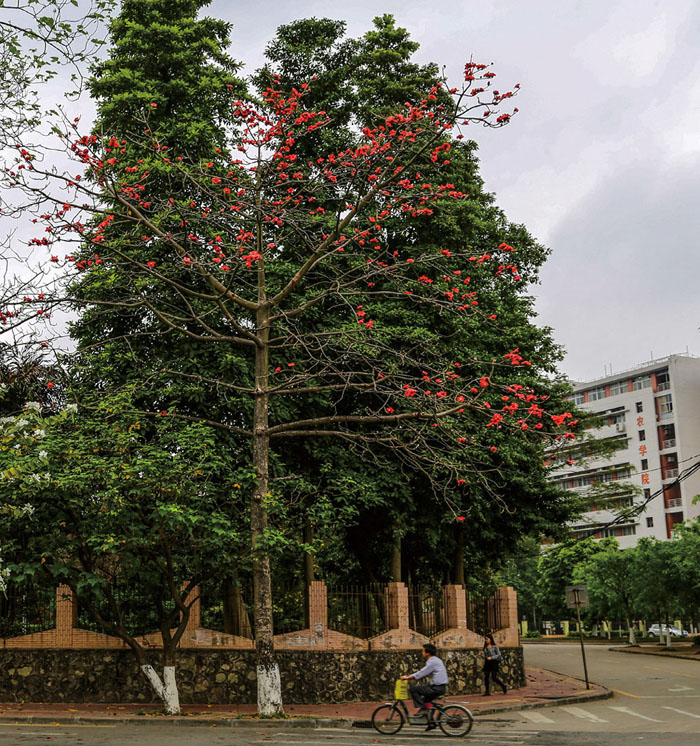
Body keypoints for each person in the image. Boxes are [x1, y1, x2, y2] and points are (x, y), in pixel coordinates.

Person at [401, 643, 448, 731]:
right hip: (440, 687)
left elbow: (422, 672)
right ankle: (431, 723)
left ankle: (422, 709)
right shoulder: (437, 660)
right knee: (427, 701)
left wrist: (408, 677)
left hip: (436, 688)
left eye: (423, 651)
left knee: (414, 689)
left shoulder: (432, 662)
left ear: (428, 653)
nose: (422, 652)